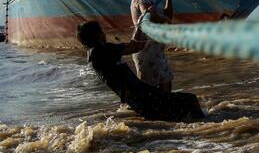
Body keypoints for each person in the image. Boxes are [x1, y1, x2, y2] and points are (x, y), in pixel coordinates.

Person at [76, 21, 204, 122]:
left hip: (137, 100)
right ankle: (206, 125)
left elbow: (136, 47)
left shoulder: (93, 54)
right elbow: (135, 47)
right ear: (98, 35)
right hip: (142, 98)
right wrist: (140, 25)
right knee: (190, 100)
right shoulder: (103, 50)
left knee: (176, 114)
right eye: (101, 31)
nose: (104, 34)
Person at [122, 0, 174, 92]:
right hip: (147, 50)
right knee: (153, 87)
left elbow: (168, 16)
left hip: (156, 50)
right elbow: (148, 15)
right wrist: (164, 20)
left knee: (164, 83)